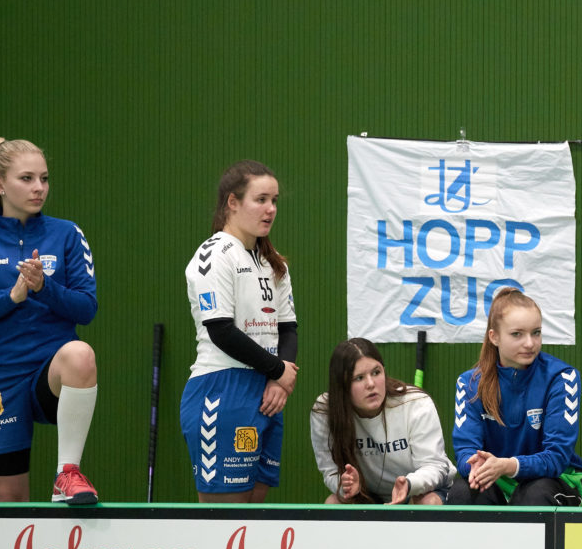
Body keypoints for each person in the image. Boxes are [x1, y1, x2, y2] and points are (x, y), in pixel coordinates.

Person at [0, 138, 100, 504]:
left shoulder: (66, 234)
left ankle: (68, 475)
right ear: (0, 186)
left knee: (81, 355)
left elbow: (86, 308)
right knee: (8, 501)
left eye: (44, 179)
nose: (38, 188)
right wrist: (11, 297)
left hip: (49, 372)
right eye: (27, 178)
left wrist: (44, 287)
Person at [181, 160, 297, 503]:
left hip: (266, 390)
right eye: (260, 199)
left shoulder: (273, 261)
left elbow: (288, 328)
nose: (271, 209)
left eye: (274, 200)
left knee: (255, 516)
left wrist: (279, 379)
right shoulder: (214, 254)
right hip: (221, 388)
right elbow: (220, 330)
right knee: (225, 522)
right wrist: (278, 371)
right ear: (232, 202)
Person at [449, 288, 582, 506]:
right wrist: (474, 466)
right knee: (464, 492)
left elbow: (556, 458)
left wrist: (508, 465)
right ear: (494, 337)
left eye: (536, 332)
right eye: (517, 334)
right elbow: (465, 450)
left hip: (560, 479)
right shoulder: (469, 384)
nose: (530, 343)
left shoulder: (562, 377)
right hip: (499, 479)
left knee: (534, 494)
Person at [310, 338, 453, 504]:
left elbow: (435, 466)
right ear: (342, 385)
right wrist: (346, 486)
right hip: (366, 494)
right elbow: (330, 471)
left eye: (376, 373)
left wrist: (409, 484)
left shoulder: (415, 403)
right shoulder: (325, 411)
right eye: (359, 378)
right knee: (333, 503)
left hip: (417, 491)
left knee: (427, 503)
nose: (371, 384)